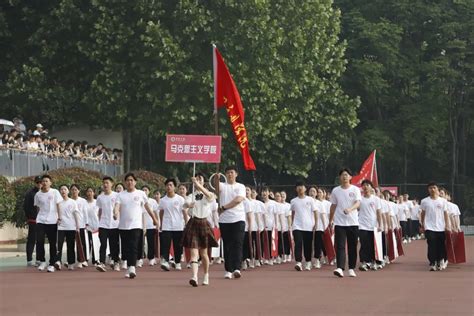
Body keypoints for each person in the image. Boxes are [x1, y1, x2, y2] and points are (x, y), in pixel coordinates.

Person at [113, 173, 159, 278]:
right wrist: (115, 213)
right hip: (123, 226)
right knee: (125, 248)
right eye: (128, 180)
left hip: (136, 225)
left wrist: (154, 219)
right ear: (125, 182)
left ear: (135, 182)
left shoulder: (141, 193)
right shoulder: (120, 195)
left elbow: (147, 207)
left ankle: (132, 267)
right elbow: (117, 206)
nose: (130, 182)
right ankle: (129, 267)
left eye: (131, 180)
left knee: (133, 245)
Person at [182, 174, 219, 286]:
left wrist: (198, 184)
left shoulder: (208, 194)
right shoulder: (191, 196)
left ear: (204, 181)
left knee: (203, 253)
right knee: (194, 252)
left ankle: (206, 275)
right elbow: (184, 205)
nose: (197, 181)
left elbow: (210, 197)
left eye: (200, 179)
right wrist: (189, 204)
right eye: (196, 179)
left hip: (204, 223)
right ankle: (194, 277)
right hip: (193, 222)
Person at [215, 165, 246, 279]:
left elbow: (238, 200)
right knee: (227, 245)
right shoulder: (223, 186)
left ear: (236, 174)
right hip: (224, 220)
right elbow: (217, 189)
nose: (230, 174)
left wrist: (224, 208)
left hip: (238, 219)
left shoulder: (240, 186)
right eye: (227, 173)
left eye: (232, 172)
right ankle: (228, 269)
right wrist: (216, 179)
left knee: (237, 243)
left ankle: (237, 268)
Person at [329, 168, 361, 278]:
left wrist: (350, 209)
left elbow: (358, 203)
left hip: (353, 222)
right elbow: (333, 206)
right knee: (340, 246)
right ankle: (340, 268)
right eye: (342, 175)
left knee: (352, 246)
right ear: (340, 177)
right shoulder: (335, 191)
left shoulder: (355, 189)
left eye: (347, 175)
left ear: (350, 177)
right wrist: (330, 220)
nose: (344, 177)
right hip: (340, 223)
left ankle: (351, 268)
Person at [420, 182, 451, 271]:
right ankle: (432, 262)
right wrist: (422, 225)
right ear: (428, 190)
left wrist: (447, 225)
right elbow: (423, 213)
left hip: (441, 227)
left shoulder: (443, 201)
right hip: (429, 227)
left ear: (437, 189)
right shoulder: (424, 201)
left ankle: (440, 260)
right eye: (430, 188)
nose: (432, 189)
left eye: (434, 188)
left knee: (441, 245)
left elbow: (445, 214)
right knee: (431, 244)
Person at [34, 175, 62, 272]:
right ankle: (42, 261)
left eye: (47, 181)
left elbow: (58, 205)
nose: (44, 183)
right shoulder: (38, 194)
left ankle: (51, 263)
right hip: (41, 220)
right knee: (40, 241)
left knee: (52, 243)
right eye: (43, 181)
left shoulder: (55, 192)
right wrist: (38, 218)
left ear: (50, 183)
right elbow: (38, 207)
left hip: (52, 221)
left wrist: (59, 217)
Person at [159, 178, 187, 271]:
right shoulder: (163, 200)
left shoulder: (180, 199)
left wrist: (186, 223)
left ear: (174, 187)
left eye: (171, 185)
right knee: (165, 245)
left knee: (178, 245)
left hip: (178, 225)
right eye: (167, 185)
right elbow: (161, 212)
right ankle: (166, 261)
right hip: (166, 225)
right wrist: (160, 223)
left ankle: (178, 262)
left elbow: (184, 212)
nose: (169, 187)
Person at [290, 181, 320, 271]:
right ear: (296, 189)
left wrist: (316, 223)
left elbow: (315, 211)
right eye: (298, 187)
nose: (300, 188)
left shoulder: (310, 200)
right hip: (297, 226)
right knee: (298, 243)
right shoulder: (293, 201)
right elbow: (293, 212)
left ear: (305, 188)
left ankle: (308, 262)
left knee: (308, 245)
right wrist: (292, 223)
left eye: (301, 186)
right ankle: (298, 262)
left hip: (308, 226)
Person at [96, 177, 120, 272]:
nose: (105, 185)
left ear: (112, 184)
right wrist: (99, 221)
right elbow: (100, 210)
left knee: (114, 244)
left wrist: (116, 215)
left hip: (114, 224)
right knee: (103, 244)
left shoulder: (117, 195)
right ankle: (102, 263)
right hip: (103, 224)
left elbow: (119, 208)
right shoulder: (100, 197)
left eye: (107, 183)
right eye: (104, 183)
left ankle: (116, 261)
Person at [358, 180, 383, 271]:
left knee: (373, 244)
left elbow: (379, 212)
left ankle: (374, 261)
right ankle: (365, 262)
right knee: (364, 243)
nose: (365, 187)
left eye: (367, 185)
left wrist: (380, 224)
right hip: (362, 225)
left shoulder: (376, 199)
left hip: (373, 226)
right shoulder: (360, 199)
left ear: (371, 187)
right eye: (363, 185)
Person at [54, 185, 80, 271]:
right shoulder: (58, 202)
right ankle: (58, 261)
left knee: (70, 246)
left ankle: (71, 263)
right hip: (60, 227)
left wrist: (77, 226)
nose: (63, 191)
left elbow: (76, 214)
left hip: (71, 227)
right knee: (59, 245)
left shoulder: (72, 202)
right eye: (61, 189)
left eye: (65, 189)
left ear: (68, 191)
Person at [23, 176, 42, 266]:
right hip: (33, 220)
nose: (39, 184)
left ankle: (39, 259)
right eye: (38, 182)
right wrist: (30, 217)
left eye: (41, 182)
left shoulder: (45, 193)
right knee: (31, 239)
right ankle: (29, 260)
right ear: (35, 183)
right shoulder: (30, 193)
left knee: (40, 240)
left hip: (43, 221)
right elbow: (26, 207)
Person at [70, 184, 89, 268]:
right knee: (71, 243)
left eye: (75, 189)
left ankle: (81, 260)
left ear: (78, 191)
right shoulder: (69, 201)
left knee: (81, 243)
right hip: (70, 225)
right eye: (72, 189)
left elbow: (85, 212)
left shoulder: (83, 201)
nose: (74, 191)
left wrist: (86, 223)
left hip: (81, 224)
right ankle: (71, 260)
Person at [141, 186, 160, 266]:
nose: (144, 191)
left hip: (151, 225)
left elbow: (156, 212)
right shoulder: (139, 200)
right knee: (140, 243)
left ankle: (151, 258)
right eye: (143, 190)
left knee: (150, 242)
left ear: (149, 191)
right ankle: (139, 258)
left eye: (146, 190)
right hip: (140, 224)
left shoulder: (152, 201)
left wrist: (157, 222)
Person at [261, 187, 279, 265]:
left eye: (266, 191)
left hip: (271, 225)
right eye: (263, 192)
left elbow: (276, 215)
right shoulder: (260, 203)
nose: (264, 193)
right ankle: (265, 258)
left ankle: (271, 258)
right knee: (263, 242)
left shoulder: (273, 203)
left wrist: (276, 224)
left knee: (271, 242)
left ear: (268, 193)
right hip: (262, 226)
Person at [314, 187, 329, 268]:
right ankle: (317, 258)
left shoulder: (325, 203)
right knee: (317, 243)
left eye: (320, 192)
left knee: (320, 243)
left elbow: (325, 215)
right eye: (318, 192)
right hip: (311, 226)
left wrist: (326, 225)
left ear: (324, 193)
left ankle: (322, 257)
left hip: (321, 225)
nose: (319, 194)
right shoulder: (312, 202)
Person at [85, 187, 100, 265]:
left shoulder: (97, 202)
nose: (89, 193)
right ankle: (86, 259)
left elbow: (100, 213)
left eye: (91, 191)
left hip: (96, 225)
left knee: (95, 243)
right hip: (87, 226)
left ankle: (95, 259)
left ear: (94, 193)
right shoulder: (84, 203)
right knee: (88, 243)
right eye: (88, 191)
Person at [242, 186, 255, 270]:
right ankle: (242, 260)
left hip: (246, 227)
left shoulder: (247, 202)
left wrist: (250, 226)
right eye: (245, 190)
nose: (246, 192)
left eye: (248, 190)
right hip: (238, 227)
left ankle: (248, 259)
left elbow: (249, 216)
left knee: (247, 244)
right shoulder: (239, 199)